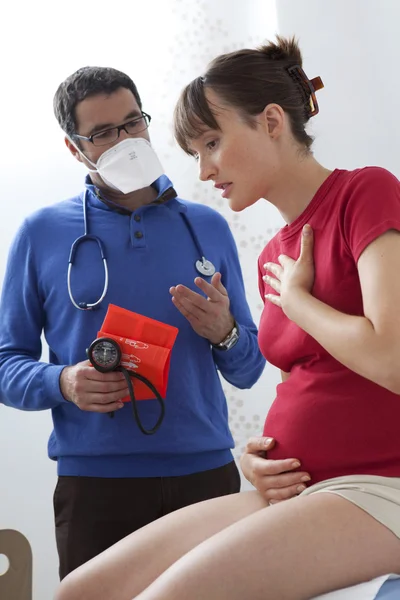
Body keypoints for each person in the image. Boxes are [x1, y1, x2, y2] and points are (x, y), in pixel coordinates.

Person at [53, 35, 400, 600]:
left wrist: (298, 302)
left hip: (376, 484)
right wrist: (260, 455)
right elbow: (309, 386)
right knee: (82, 591)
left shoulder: (366, 193)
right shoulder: (273, 255)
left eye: (212, 142)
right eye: (193, 153)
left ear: (270, 122)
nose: (204, 168)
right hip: (296, 487)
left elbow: (392, 358)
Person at [0, 66, 266, 579]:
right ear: (74, 148)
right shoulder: (41, 234)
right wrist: (63, 380)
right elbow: (6, 362)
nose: (124, 141)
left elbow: (249, 369)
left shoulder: (207, 226)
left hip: (204, 478)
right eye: (102, 134)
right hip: (96, 487)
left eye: (131, 124)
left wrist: (225, 332)